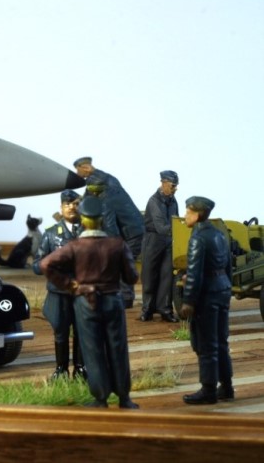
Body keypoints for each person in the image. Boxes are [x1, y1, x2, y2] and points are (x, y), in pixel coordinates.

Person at [40, 196, 140, 409]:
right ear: (101, 219)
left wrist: (70, 285)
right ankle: (124, 397)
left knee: (92, 349)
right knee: (118, 348)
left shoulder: (75, 246)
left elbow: (46, 264)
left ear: (84, 220)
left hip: (86, 302)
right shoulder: (117, 245)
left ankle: (100, 397)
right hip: (113, 300)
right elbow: (132, 277)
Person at [179, 196, 234, 405]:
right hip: (222, 289)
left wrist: (188, 301)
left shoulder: (198, 238)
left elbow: (195, 274)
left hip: (207, 295)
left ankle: (208, 389)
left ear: (197, 214)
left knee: (205, 343)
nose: (185, 216)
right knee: (221, 342)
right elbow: (227, 266)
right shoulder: (219, 234)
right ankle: (226, 386)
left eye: (188, 211)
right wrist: (226, 287)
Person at [33, 189, 86, 380]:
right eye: (67, 204)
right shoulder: (51, 234)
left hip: (82, 293)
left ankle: (81, 368)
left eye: (75, 204)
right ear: (61, 208)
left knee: (82, 331)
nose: (71, 208)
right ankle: (61, 369)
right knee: (60, 331)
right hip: (59, 293)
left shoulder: (89, 233)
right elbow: (37, 265)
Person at [82, 170, 144, 309]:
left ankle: (126, 299)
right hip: (135, 231)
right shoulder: (113, 190)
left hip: (131, 235)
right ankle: (125, 298)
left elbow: (111, 229)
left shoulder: (104, 201)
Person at [140, 170, 180, 322]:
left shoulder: (173, 201)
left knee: (167, 276)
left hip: (168, 241)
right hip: (153, 240)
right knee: (149, 275)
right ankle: (147, 309)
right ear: (163, 183)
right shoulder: (154, 201)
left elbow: (175, 220)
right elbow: (161, 227)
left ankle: (165, 309)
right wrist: (179, 228)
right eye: (173, 185)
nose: (175, 188)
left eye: (176, 185)